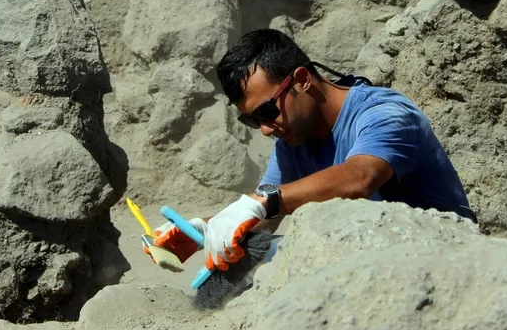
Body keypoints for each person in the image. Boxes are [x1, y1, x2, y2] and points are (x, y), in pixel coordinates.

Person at [150, 29, 476, 272]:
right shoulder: (294, 139)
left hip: (445, 259)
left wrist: (264, 201)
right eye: (252, 121)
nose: (265, 128)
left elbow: (361, 177)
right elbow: (266, 215)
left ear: (302, 80)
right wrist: (201, 231)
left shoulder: (384, 113)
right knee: (263, 255)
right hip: (374, 256)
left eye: (267, 111)